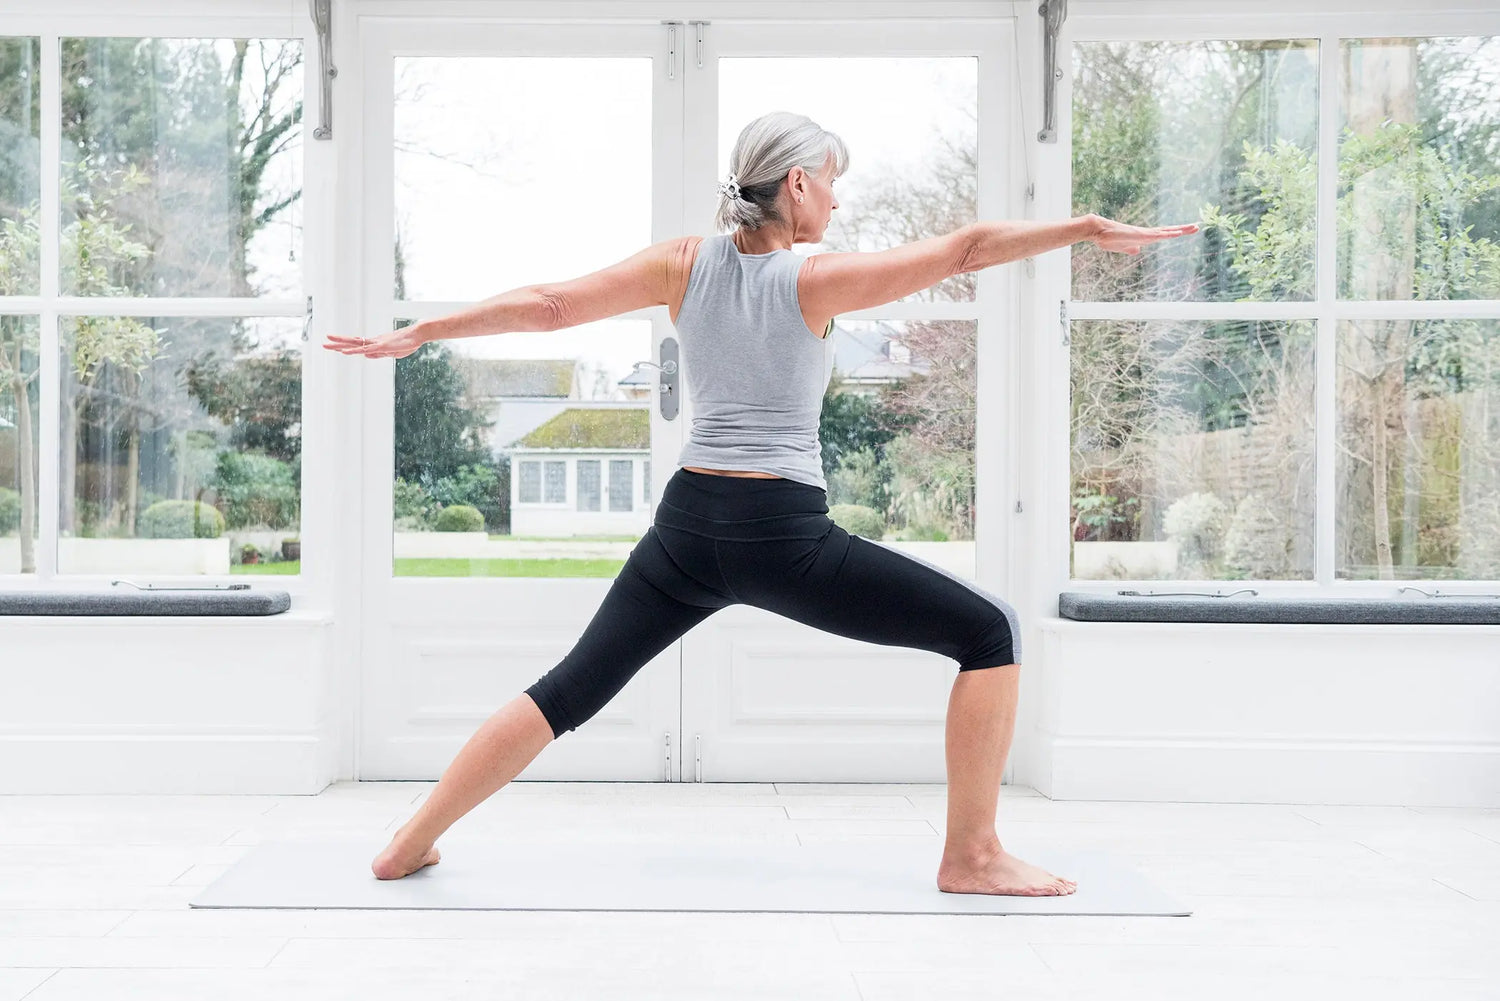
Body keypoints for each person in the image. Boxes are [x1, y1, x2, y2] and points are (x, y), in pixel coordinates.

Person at [326, 111, 1197, 896]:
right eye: (834, 183)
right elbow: (966, 249)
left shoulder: (682, 263)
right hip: (782, 536)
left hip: (685, 528)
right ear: (797, 184)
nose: (838, 205)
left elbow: (551, 305)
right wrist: (1083, 227)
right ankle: (971, 854)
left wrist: (428, 331)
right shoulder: (813, 277)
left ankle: (411, 839)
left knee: (569, 690)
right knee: (988, 633)